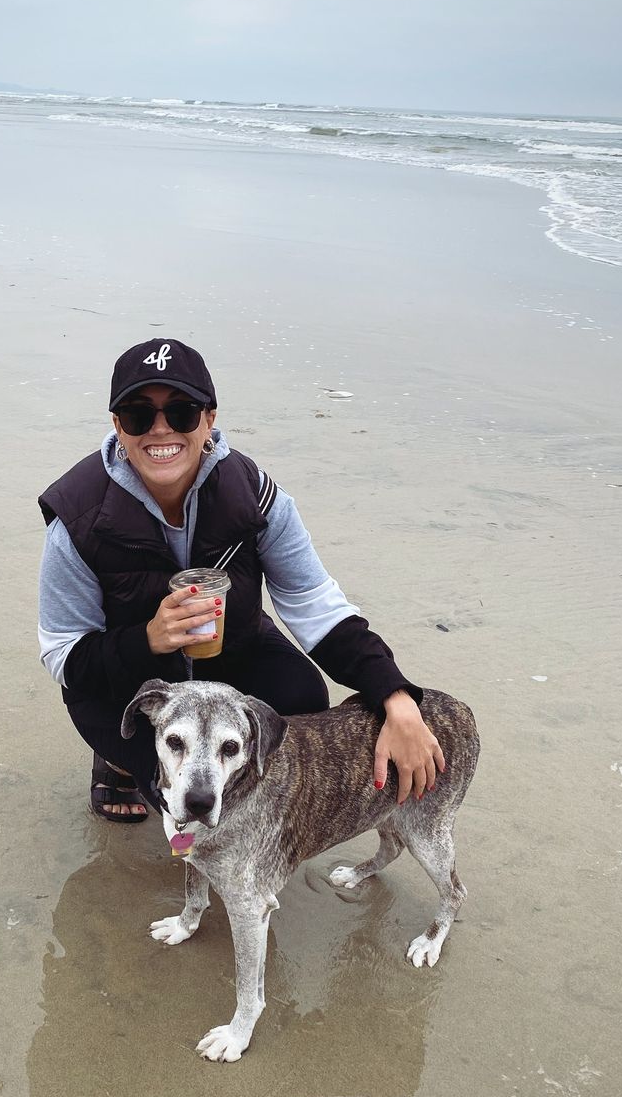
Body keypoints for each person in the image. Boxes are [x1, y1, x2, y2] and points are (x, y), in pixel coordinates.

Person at [38, 338, 445, 821]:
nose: (160, 430)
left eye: (183, 412)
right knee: (180, 804)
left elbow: (314, 604)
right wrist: (148, 640)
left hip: (235, 652)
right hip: (124, 681)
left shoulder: (254, 495)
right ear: (117, 427)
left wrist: (396, 698)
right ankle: (118, 761)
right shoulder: (77, 517)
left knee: (302, 699)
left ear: (209, 419)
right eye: (138, 415)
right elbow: (64, 652)